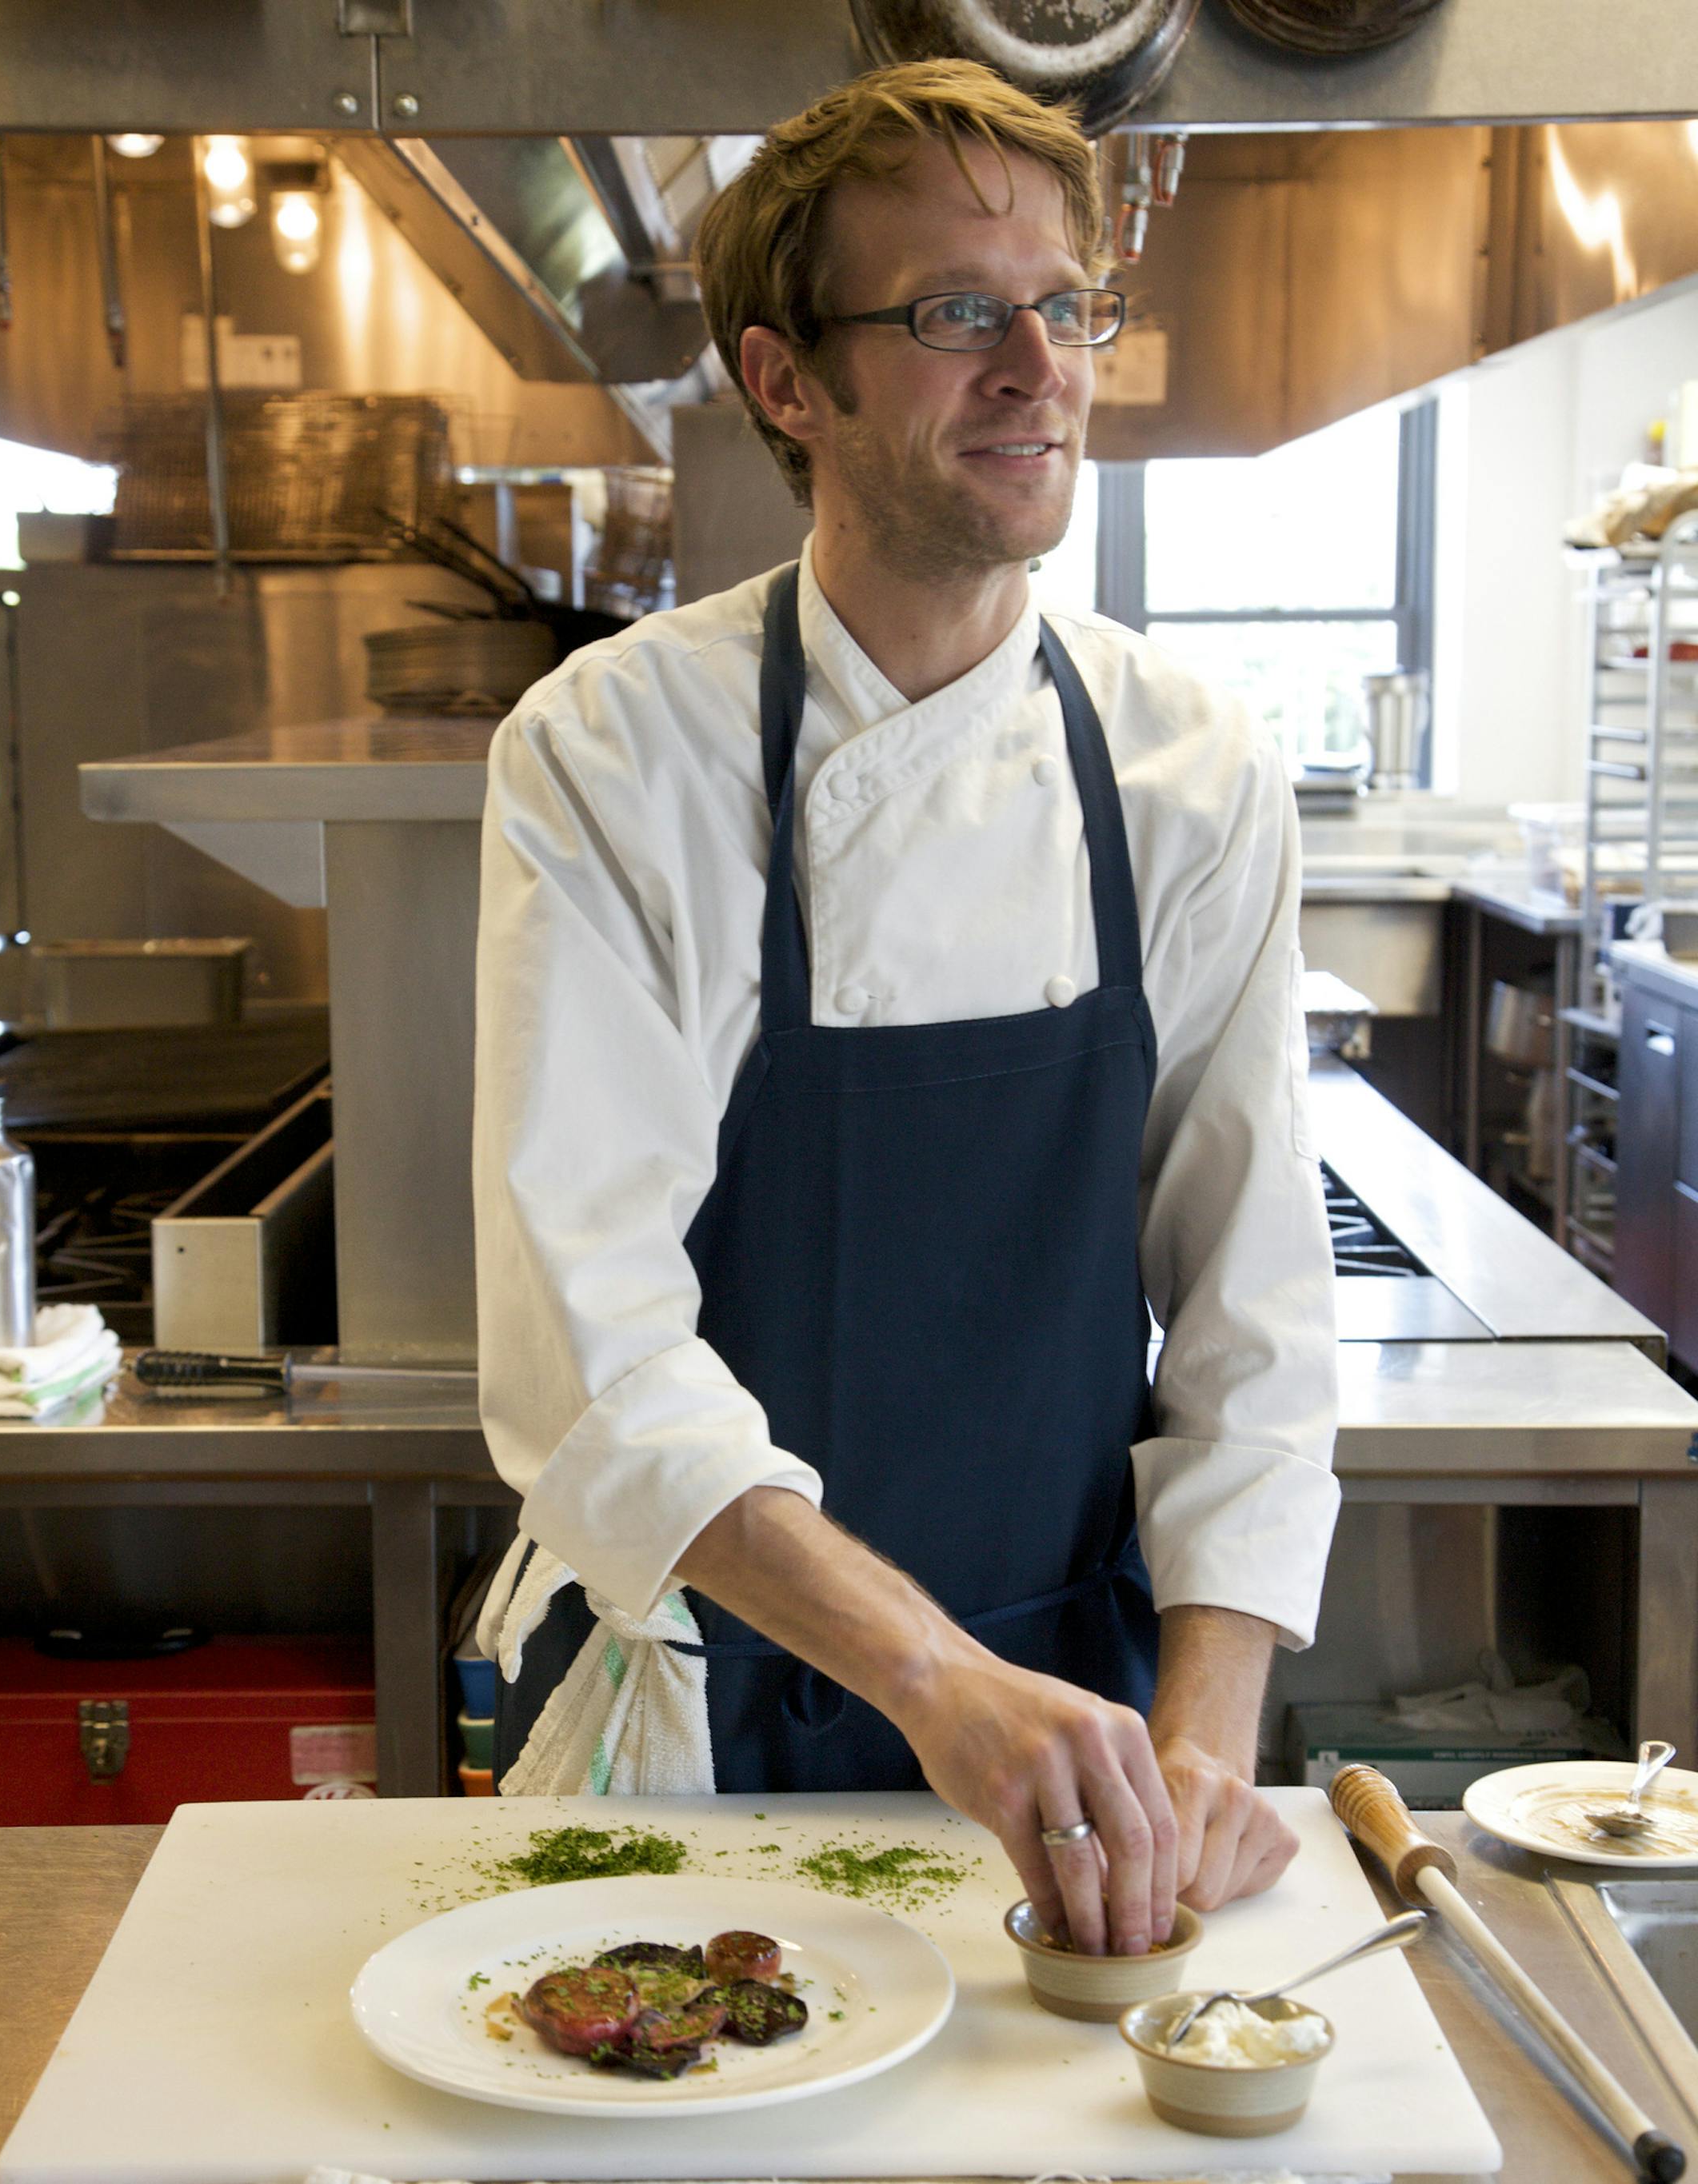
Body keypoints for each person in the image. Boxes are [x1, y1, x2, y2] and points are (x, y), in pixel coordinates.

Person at [473, 58, 1339, 1958]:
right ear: (788, 381)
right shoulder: (622, 752)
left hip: (1078, 1725)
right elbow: (589, 1350)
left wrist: (1198, 1750)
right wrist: (934, 1686)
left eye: (1066, 302)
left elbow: (1251, 1304)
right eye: (960, 312)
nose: (1039, 364)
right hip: (713, 1695)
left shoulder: (1190, 767)